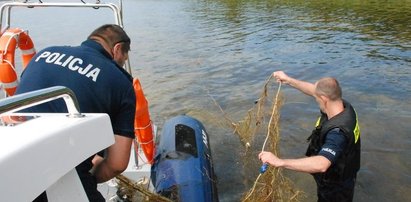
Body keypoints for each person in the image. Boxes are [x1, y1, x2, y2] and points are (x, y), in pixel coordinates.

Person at [15, 24, 136, 202]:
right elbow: (117, 164)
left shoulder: (44, 54)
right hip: (62, 174)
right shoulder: (120, 82)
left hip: (13, 161)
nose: (122, 64)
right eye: (123, 59)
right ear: (117, 49)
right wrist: (90, 178)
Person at [259, 71, 361, 202]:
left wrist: (280, 162)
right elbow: (314, 90)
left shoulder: (338, 132)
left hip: (336, 187)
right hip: (339, 171)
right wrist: (288, 80)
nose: (315, 98)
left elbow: (322, 164)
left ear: (324, 99)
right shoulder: (340, 103)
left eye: (317, 99)